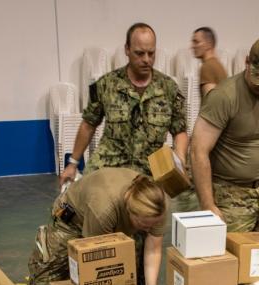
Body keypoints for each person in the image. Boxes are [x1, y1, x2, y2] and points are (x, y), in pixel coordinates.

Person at [190, 36, 259, 246]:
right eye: (258, 77)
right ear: (247, 62)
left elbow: (258, 141)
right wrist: (208, 205)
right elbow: (197, 151)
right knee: (230, 263)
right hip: (229, 193)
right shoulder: (224, 97)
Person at [59, 23, 188, 185]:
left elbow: (180, 130)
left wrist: (180, 157)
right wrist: (72, 164)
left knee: (184, 199)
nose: (146, 60)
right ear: (127, 49)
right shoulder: (105, 84)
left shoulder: (169, 88)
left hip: (150, 170)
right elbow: (88, 124)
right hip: (109, 165)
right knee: (79, 203)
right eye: (139, 53)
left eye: (151, 53)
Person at [27, 168, 168, 285]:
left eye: (153, 225)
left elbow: (154, 249)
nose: (149, 229)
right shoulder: (103, 210)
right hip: (72, 219)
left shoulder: (156, 205)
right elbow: (94, 262)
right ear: (130, 213)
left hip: (113, 215)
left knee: (132, 283)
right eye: (145, 225)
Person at [191, 26, 227, 98]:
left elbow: (210, 104)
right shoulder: (217, 65)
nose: (192, 46)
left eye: (196, 42)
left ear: (208, 44)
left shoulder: (207, 67)